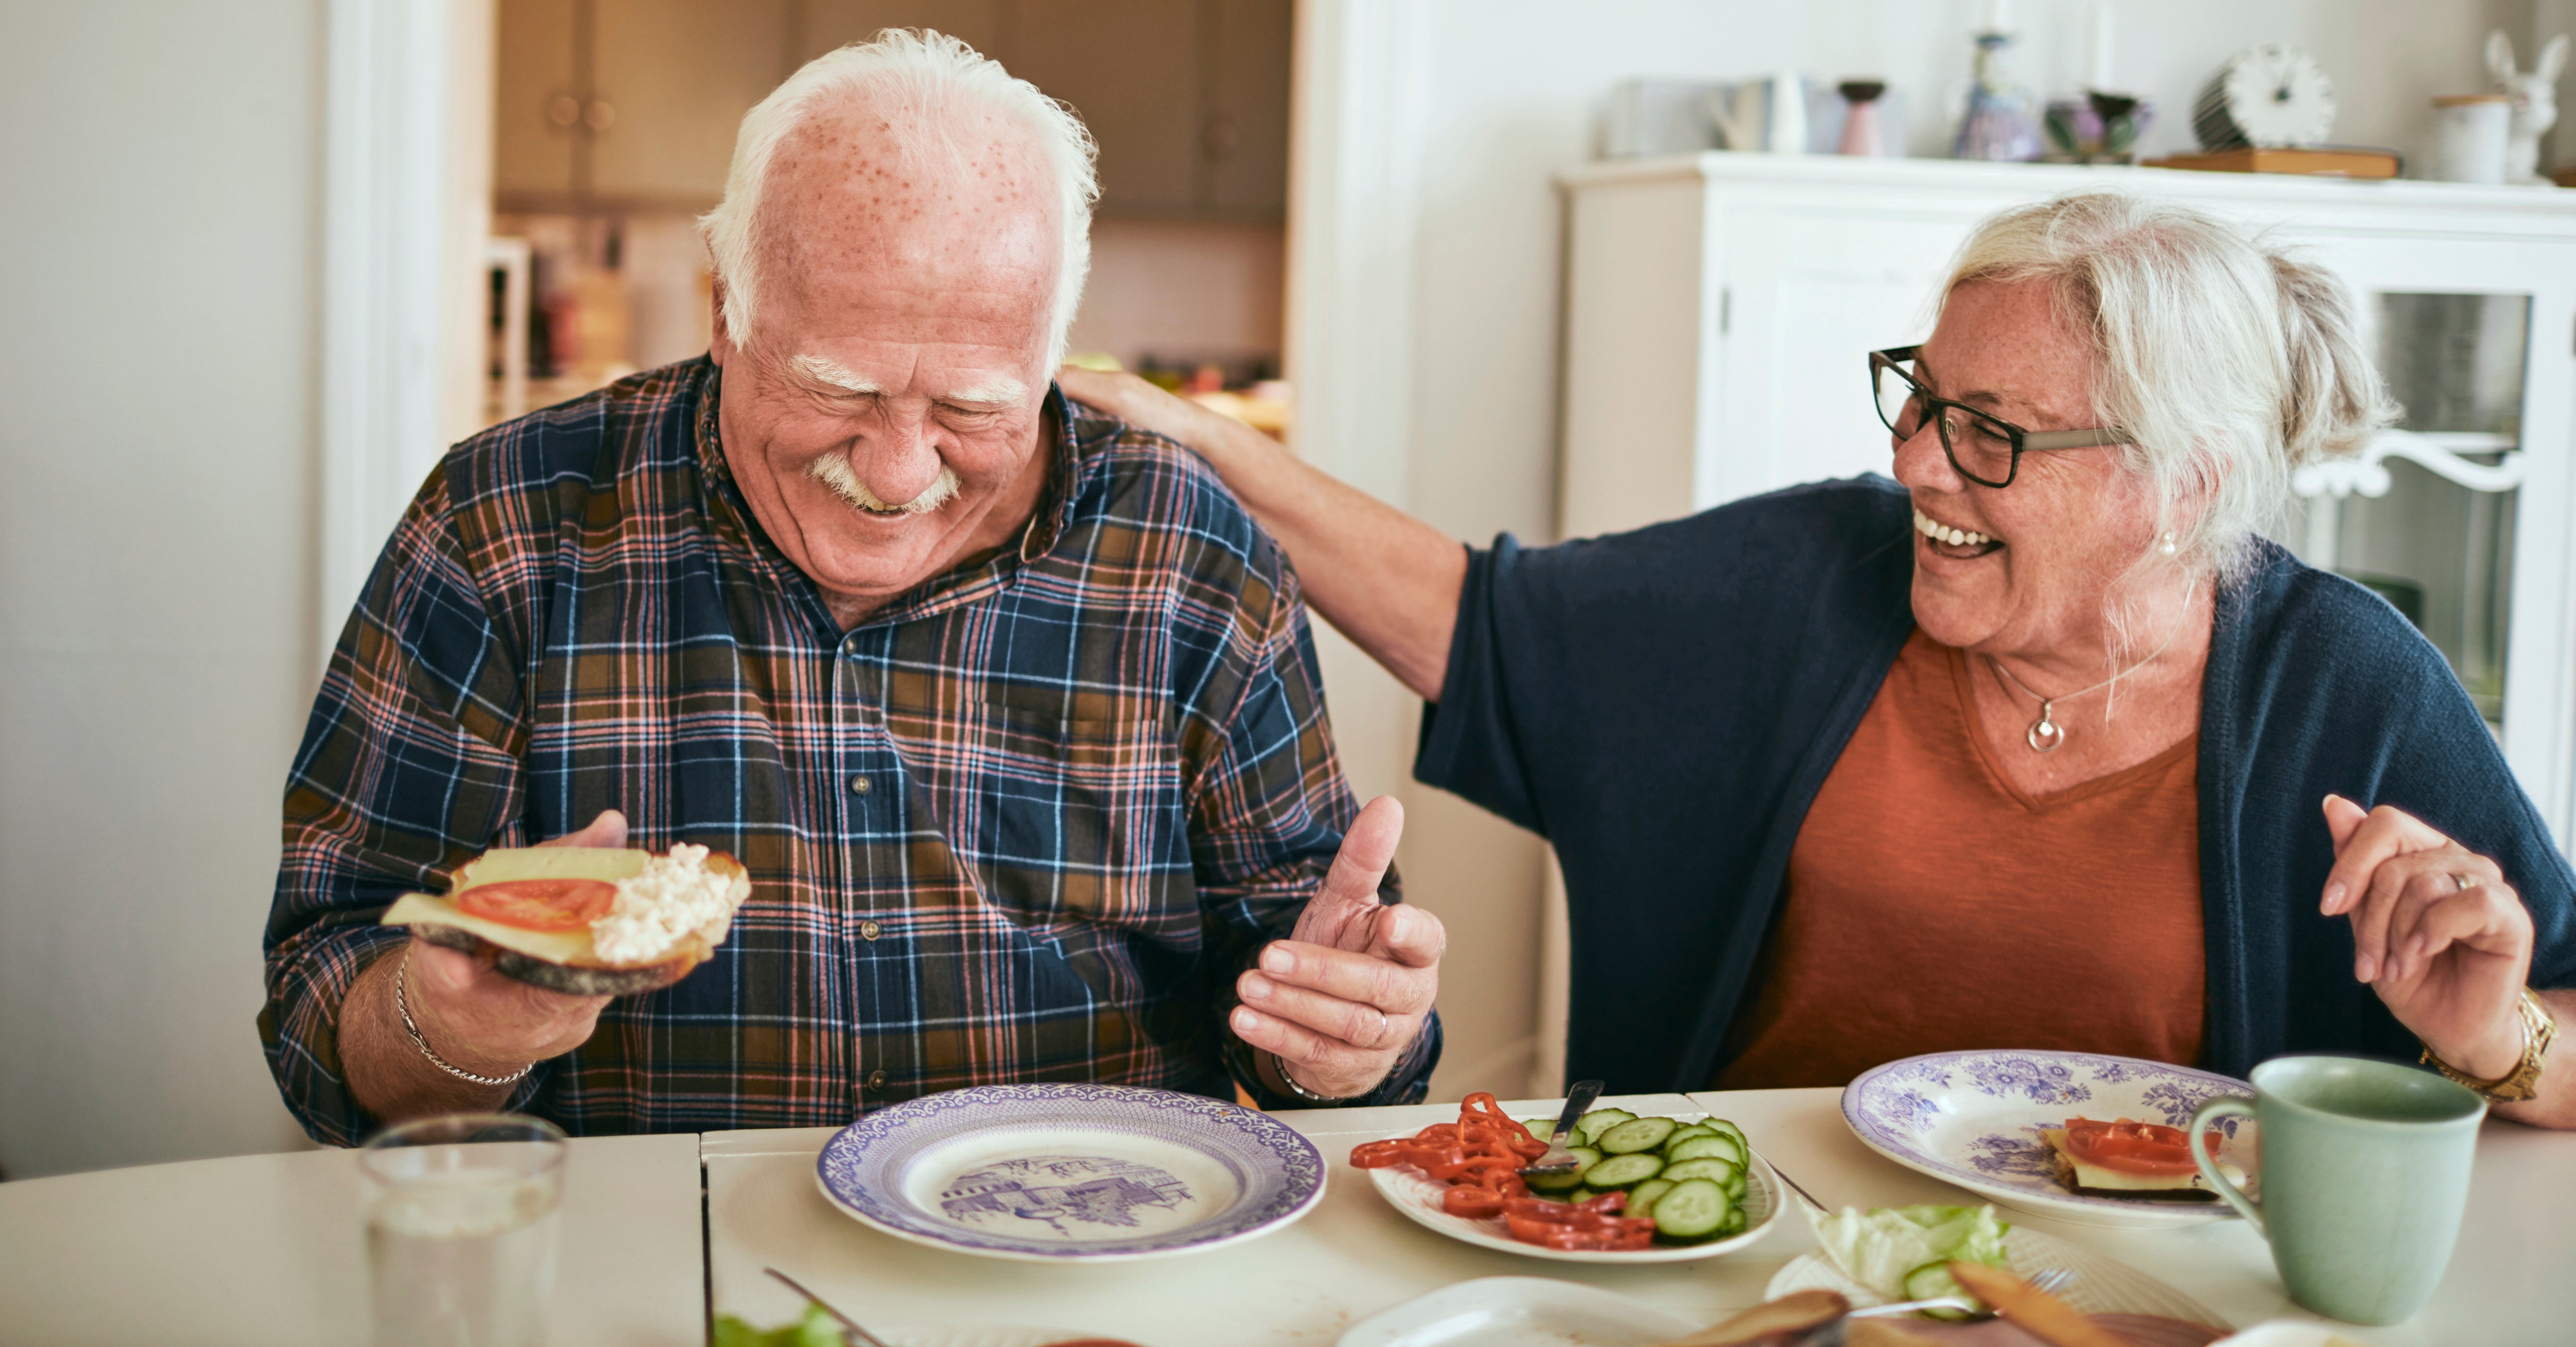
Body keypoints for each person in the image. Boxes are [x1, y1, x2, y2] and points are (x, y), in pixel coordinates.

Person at [1063, 191, 2576, 1127]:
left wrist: (2493, 1035)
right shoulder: (1816, 579)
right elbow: (1477, 621)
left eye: (1993, 433)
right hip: (1752, 1282)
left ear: (2183, 482)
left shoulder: (2343, 684)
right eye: (1920, 397)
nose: (1920, 461)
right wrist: (1202, 439)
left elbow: (2555, 1024)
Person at [261, 30, 1443, 1145]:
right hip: (656, 1270)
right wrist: (445, 1029)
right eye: (836, 390)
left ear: (1050, 353)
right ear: (722, 308)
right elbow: (324, 1015)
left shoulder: (1189, 550)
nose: (894, 471)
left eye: (974, 408)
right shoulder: (504, 524)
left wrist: (1344, 1042)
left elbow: (1320, 1013)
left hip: (1091, 1258)